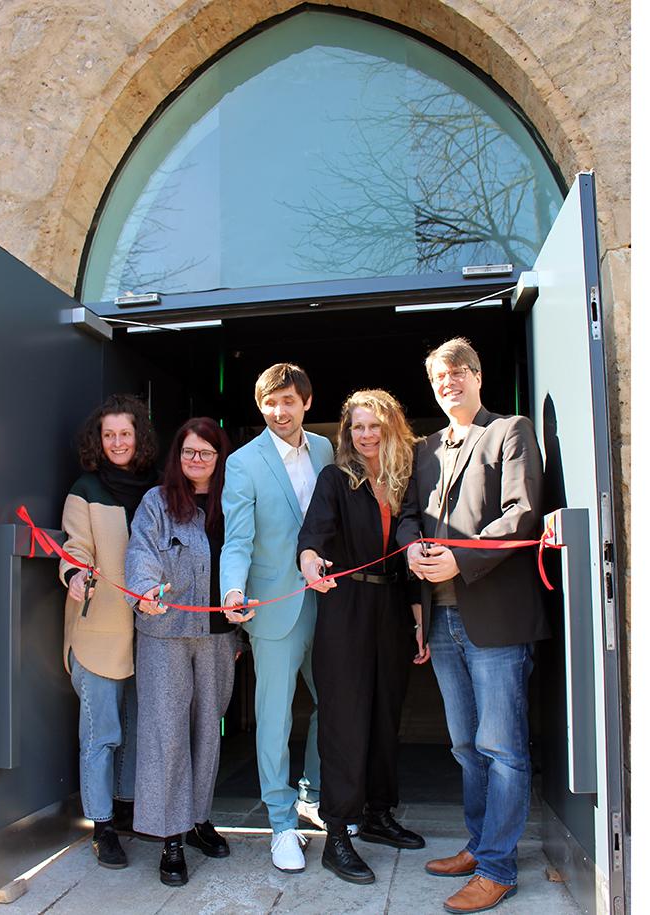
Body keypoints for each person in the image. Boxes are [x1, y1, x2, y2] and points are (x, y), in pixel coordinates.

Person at [397, 337, 549, 915]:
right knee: (464, 746)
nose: (448, 381)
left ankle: (497, 868)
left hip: (496, 618)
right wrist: (411, 549)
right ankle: (479, 844)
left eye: (458, 371)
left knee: (503, 748)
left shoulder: (510, 431)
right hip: (441, 619)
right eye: (439, 375)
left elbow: (522, 512)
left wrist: (462, 555)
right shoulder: (424, 447)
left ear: (478, 376)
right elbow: (409, 514)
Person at [297, 389, 428, 885]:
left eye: (374, 425)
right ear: (347, 433)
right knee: (345, 721)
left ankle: (377, 815)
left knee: (384, 716)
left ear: (391, 426)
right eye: (357, 427)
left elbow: (412, 543)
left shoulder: (403, 478)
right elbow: (312, 536)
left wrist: (418, 617)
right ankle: (337, 835)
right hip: (346, 606)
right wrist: (309, 562)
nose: (366, 435)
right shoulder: (336, 478)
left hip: (392, 607)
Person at [220, 363, 334, 874]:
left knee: (334, 704)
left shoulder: (327, 450)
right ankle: (281, 824)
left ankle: (312, 791)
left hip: (328, 600)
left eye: (288, 401)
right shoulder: (243, 463)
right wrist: (233, 588)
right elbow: (237, 538)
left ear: (306, 402)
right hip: (272, 605)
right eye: (270, 402)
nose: (279, 411)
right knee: (275, 717)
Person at [124, 418, 237, 887]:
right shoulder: (156, 502)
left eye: (206, 453)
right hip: (164, 634)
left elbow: (245, 557)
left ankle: (198, 818)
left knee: (207, 732)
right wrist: (147, 590)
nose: (197, 460)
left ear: (219, 457)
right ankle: (170, 836)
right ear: (178, 454)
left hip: (217, 635)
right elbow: (140, 553)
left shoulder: (233, 501)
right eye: (189, 452)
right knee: (165, 736)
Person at [59, 393, 158, 869]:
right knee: (103, 734)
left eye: (125, 433)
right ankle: (102, 827)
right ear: (98, 441)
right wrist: (75, 575)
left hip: (154, 635)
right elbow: (75, 551)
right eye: (109, 434)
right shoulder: (85, 489)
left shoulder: (158, 489)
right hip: (100, 632)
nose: (117, 442)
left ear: (139, 437)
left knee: (139, 731)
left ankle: (125, 808)